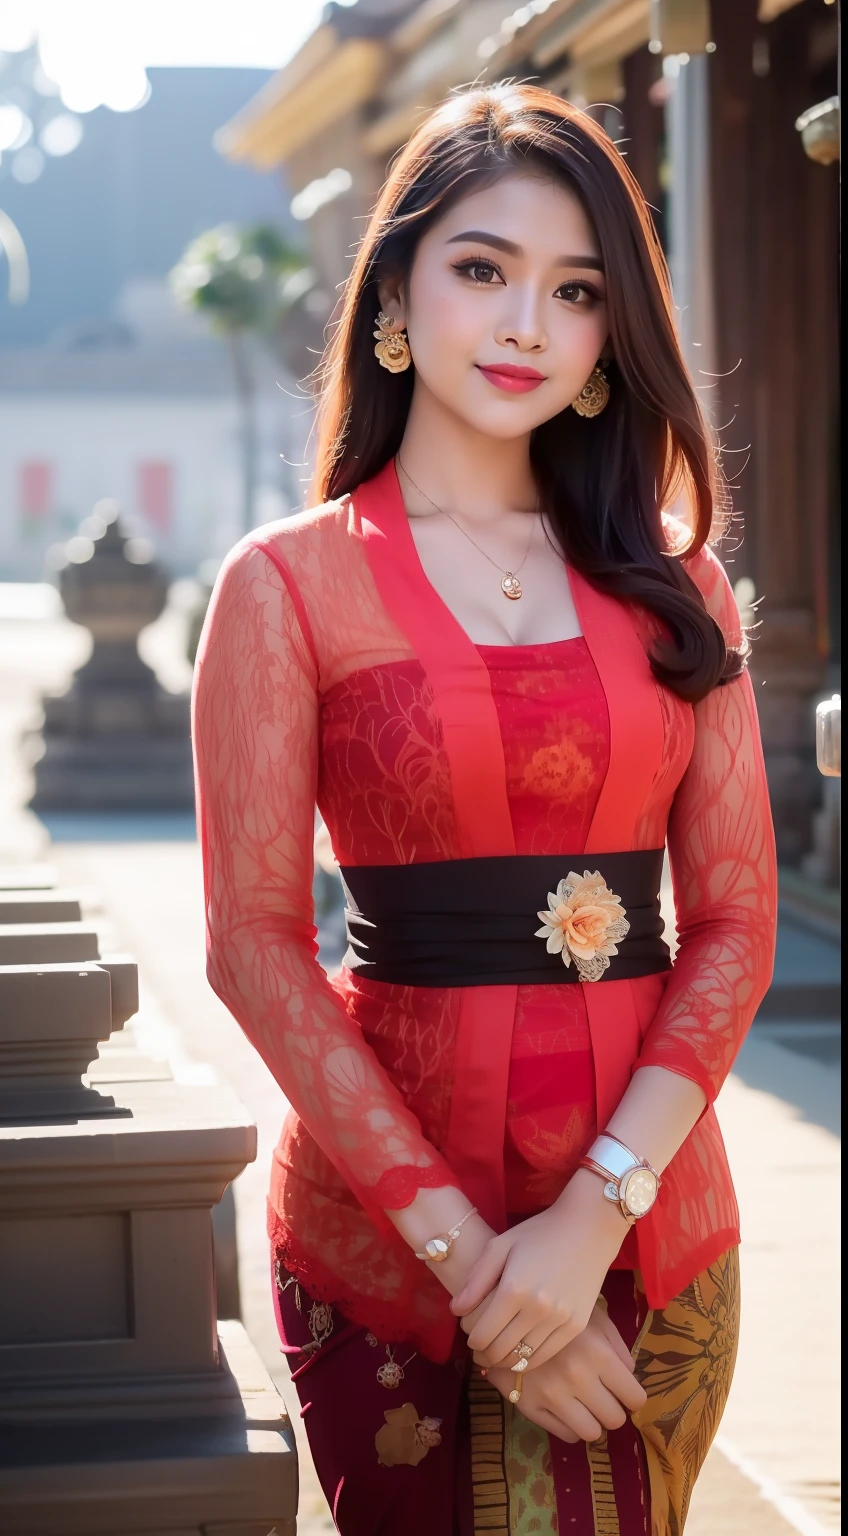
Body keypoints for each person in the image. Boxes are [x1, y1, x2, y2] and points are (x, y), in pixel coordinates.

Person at [193, 83, 777, 1535]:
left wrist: (590, 1222)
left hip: (655, 1233)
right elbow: (254, 945)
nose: (525, 322)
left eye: (575, 290)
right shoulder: (284, 588)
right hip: (388, 1245)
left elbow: (739, 922)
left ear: (606, 340)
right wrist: (477, 1267)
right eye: (481, 269)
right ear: (395, 287)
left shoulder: (676, 587)